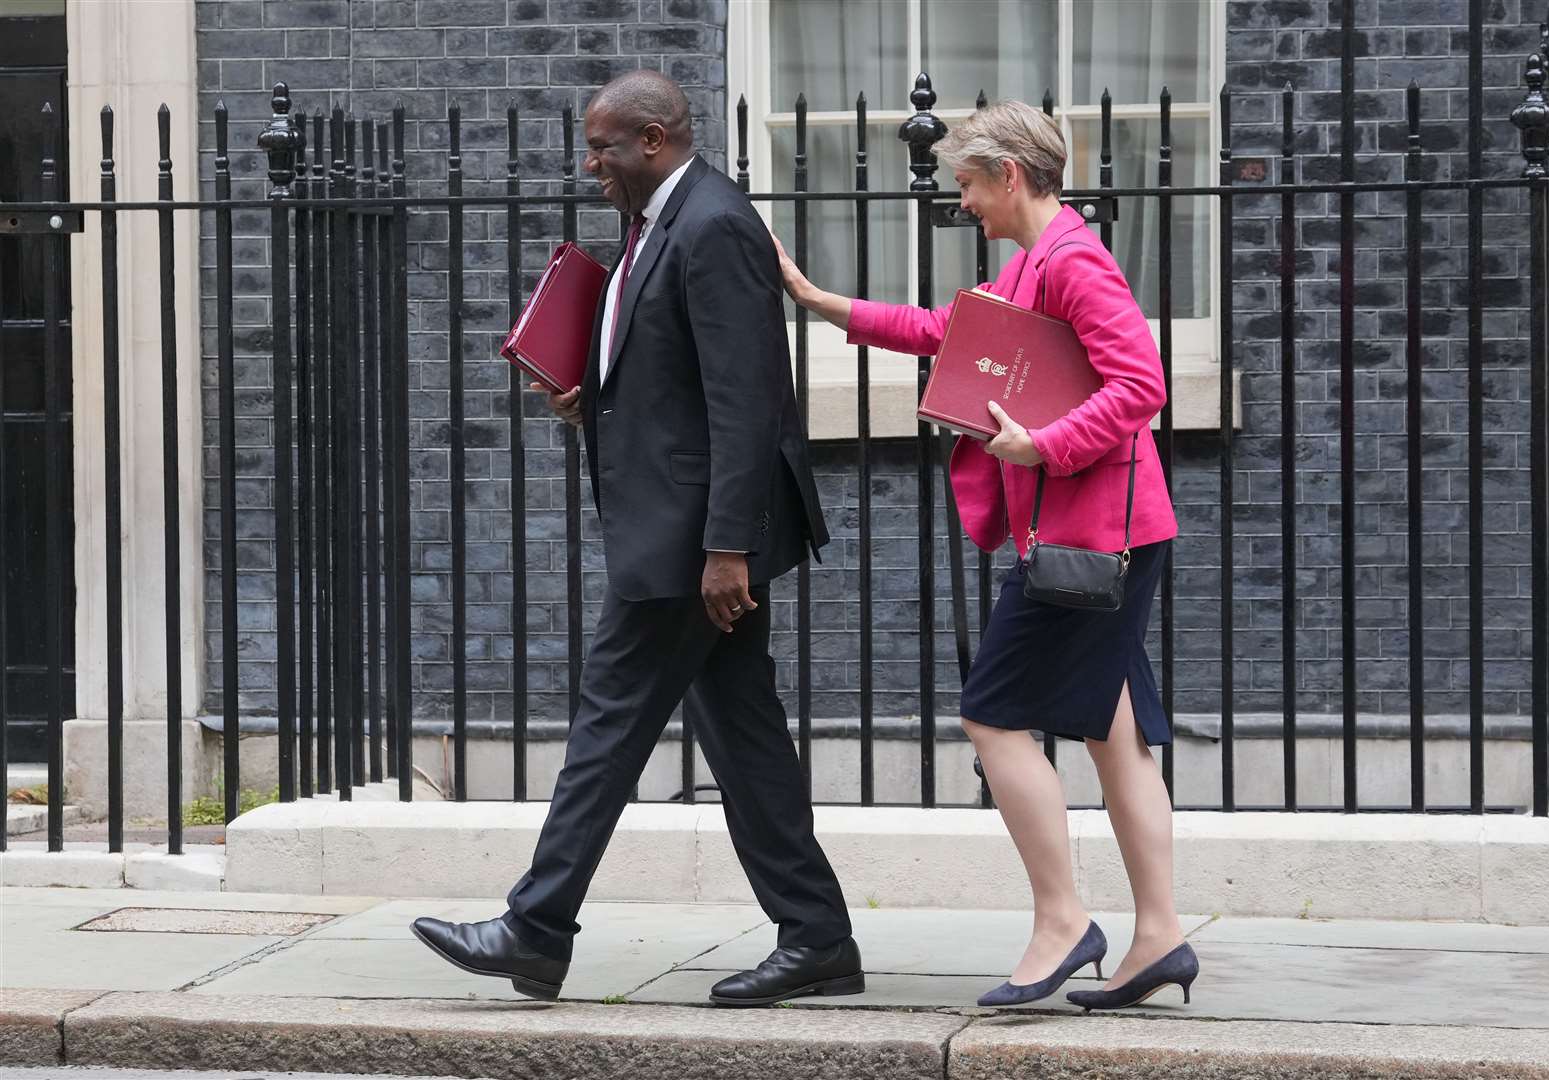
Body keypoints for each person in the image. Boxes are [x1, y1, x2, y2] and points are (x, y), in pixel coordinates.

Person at [412, 69, 863, 1008]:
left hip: (692, 540)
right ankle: (816, 936)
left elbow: (749, 403)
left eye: (605, 147)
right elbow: (675, 374)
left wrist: (727, 548)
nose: (592, 165)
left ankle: (536, 927)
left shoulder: (714, 224)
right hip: (683, 526)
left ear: (653, 140)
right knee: (744, 737)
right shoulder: (659, 222)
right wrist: (597, 400)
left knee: (610, 719)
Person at [773, 99, 1196, 1012]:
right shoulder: (1038, 262)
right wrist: (819, 301)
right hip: (1114, 534)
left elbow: (1143, 385)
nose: (961, 202)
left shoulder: (1072, 264)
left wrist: (1044, 446)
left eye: (966, 183)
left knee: (994, 715)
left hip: (1090, 538)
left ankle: (1062, 922)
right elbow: (946, 335)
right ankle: (1158, 933)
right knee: (1111, 732)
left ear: (1010, 175)